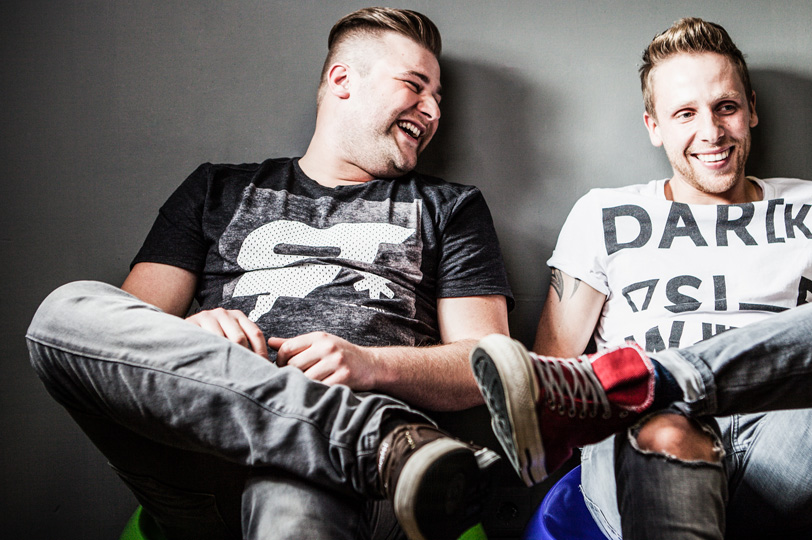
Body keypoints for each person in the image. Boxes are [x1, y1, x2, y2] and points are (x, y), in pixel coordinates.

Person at [470, 17, 812, 540]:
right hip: (652, 436)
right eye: (685, 113)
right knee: (666, 433)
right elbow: (552, 375)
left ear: (751, 109)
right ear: (654, 126)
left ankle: (651, 379)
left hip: (789, 450)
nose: (711, 132)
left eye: (726, 107)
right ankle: (652, 390)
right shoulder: (602, 214)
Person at [27, 7, 512, 540]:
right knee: (62, 312)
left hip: (347, 485)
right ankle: (371, 441)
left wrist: (371, 364)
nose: (433, 110)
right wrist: (190, 331)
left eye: (438, 98)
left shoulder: (448, 207)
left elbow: (484, 365)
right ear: (342, 80)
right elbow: (124, 339)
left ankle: (349, 443)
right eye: (415, 86)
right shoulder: (216, 189)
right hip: (202, 455)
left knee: (295, 491)